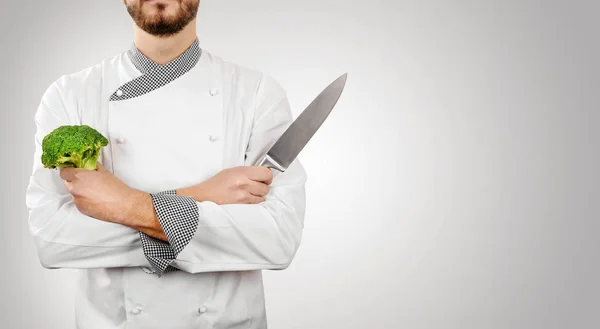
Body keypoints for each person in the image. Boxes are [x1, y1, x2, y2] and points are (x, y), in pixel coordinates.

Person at [24, 0, 307, 328]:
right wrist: (203, 196)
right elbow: (52, 240)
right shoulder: (69, 95)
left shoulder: (258, 94)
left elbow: (277, 240)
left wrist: (126, 206)